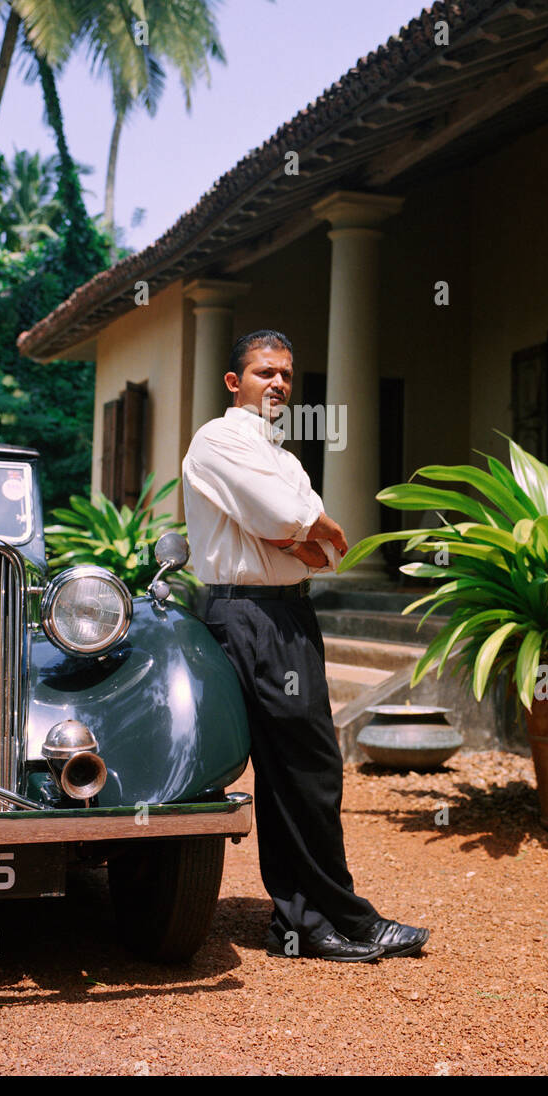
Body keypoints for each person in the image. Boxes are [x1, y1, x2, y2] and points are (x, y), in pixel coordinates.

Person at [181, 329, 429, 963]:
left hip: (289, 616)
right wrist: (299, 530)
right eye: (266, 373)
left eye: (287, 375)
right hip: (247, 614)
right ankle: (329, 920)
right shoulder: (218, 440)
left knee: (305, 769)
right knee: (300, 766)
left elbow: (321, 551)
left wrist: (301, 533)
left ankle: (307, 919)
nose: (280, 384)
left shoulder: (283, 456)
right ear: (235, 383)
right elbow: (290, 521)